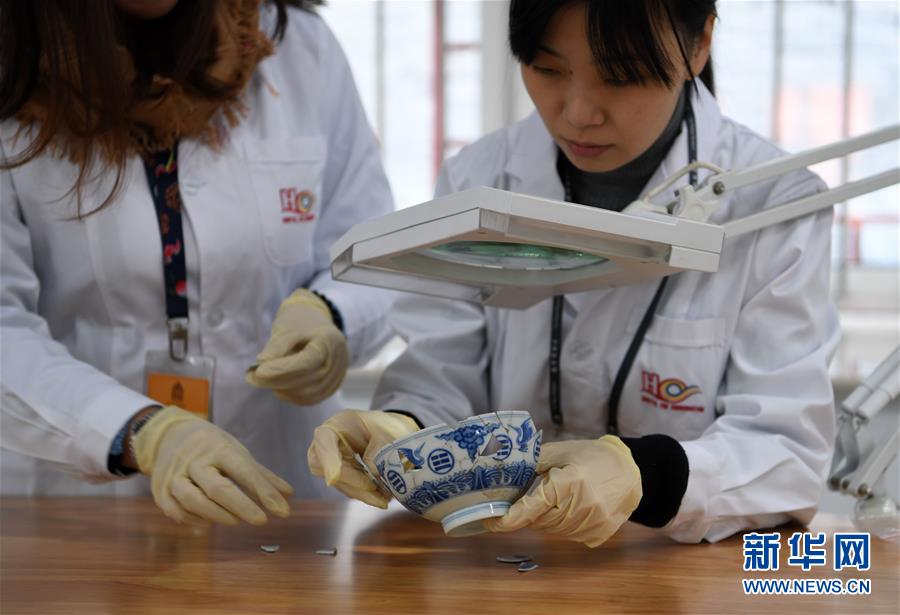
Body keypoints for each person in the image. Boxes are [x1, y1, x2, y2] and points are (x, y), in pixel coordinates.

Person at [306, 0, 840, 545]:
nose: (578, 112)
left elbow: (784, 455)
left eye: (622, 74)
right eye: (547, 68)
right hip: (501, 567)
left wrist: (644, 476)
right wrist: (402, 428)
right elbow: (444, 375)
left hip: (676, 574)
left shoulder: (775, 205)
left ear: (699, 42)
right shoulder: (479, 178)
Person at [0, 0, 395, 528]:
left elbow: (372, 254)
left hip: (280, 503)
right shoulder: (14, 62)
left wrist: (330, 315)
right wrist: (142, 431)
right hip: (70, 513)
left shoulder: (295, 45)